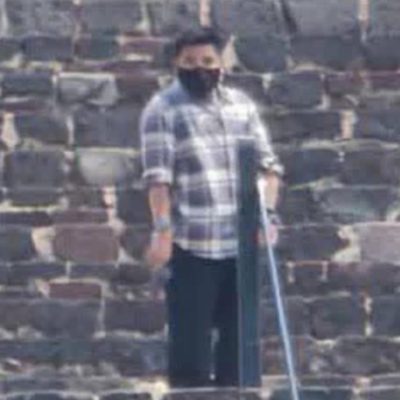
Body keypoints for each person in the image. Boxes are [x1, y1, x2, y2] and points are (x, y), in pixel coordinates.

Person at [139, 27, 284, 388]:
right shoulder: (163, 109)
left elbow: (269, 167)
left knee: (241, 349)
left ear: (222, 64)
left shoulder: (241, 106)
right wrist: (162, 232)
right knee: (190, 351)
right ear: (177, 63)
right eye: (190, 62)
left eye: (207, 61)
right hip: (193, 244)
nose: (199, 68)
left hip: (241, 245)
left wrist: (267, 214)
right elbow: (158, 179)